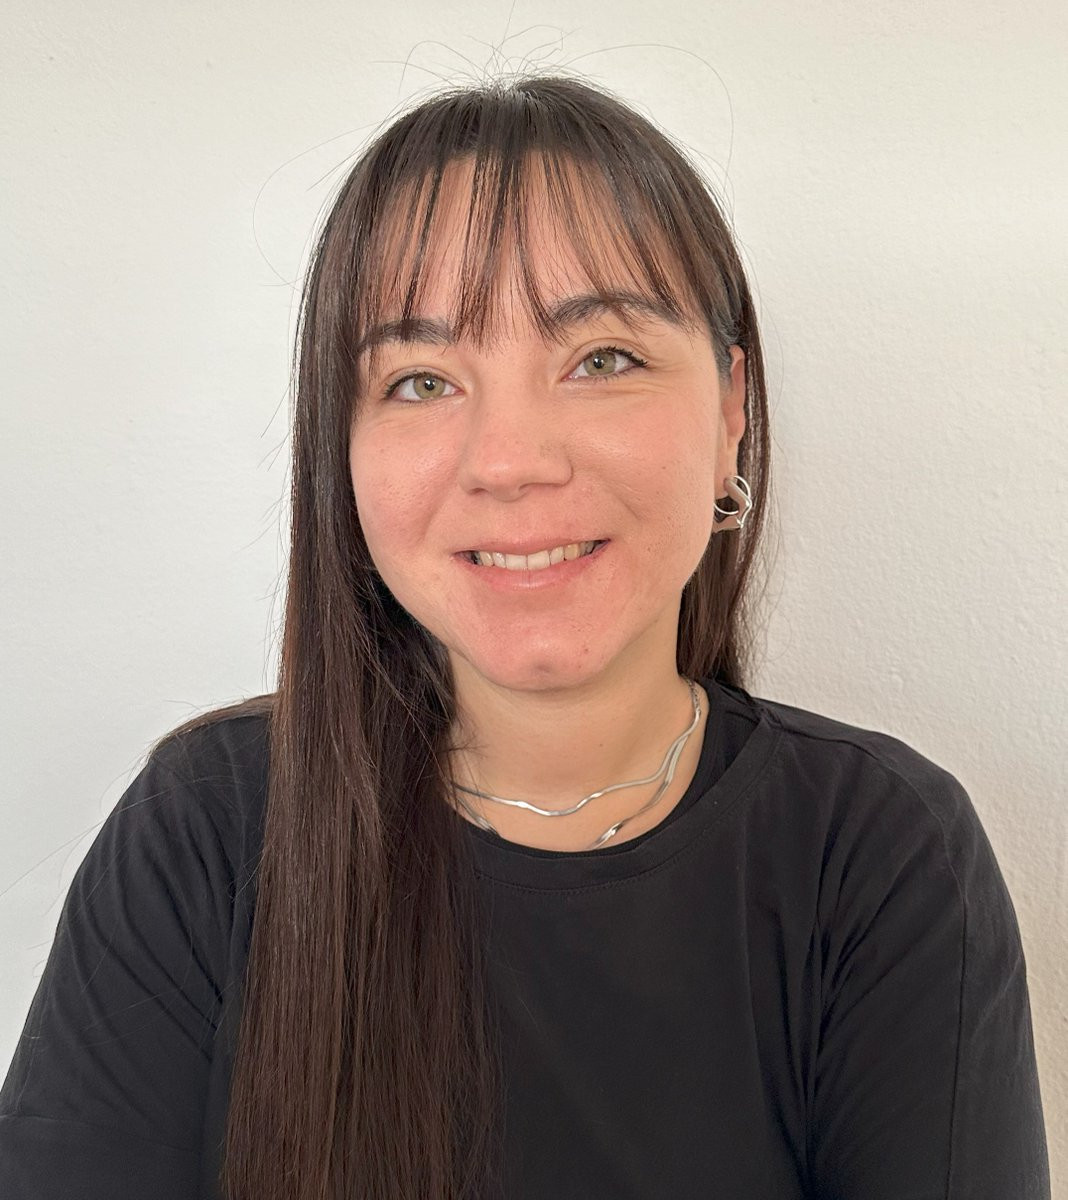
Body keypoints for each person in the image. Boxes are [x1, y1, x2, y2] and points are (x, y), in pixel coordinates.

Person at [0, 72, 1051, 1200]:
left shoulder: (878, 856)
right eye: (420, 380)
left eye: (602, 359)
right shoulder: (206, 837)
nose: (509, 461)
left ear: (730, 410)